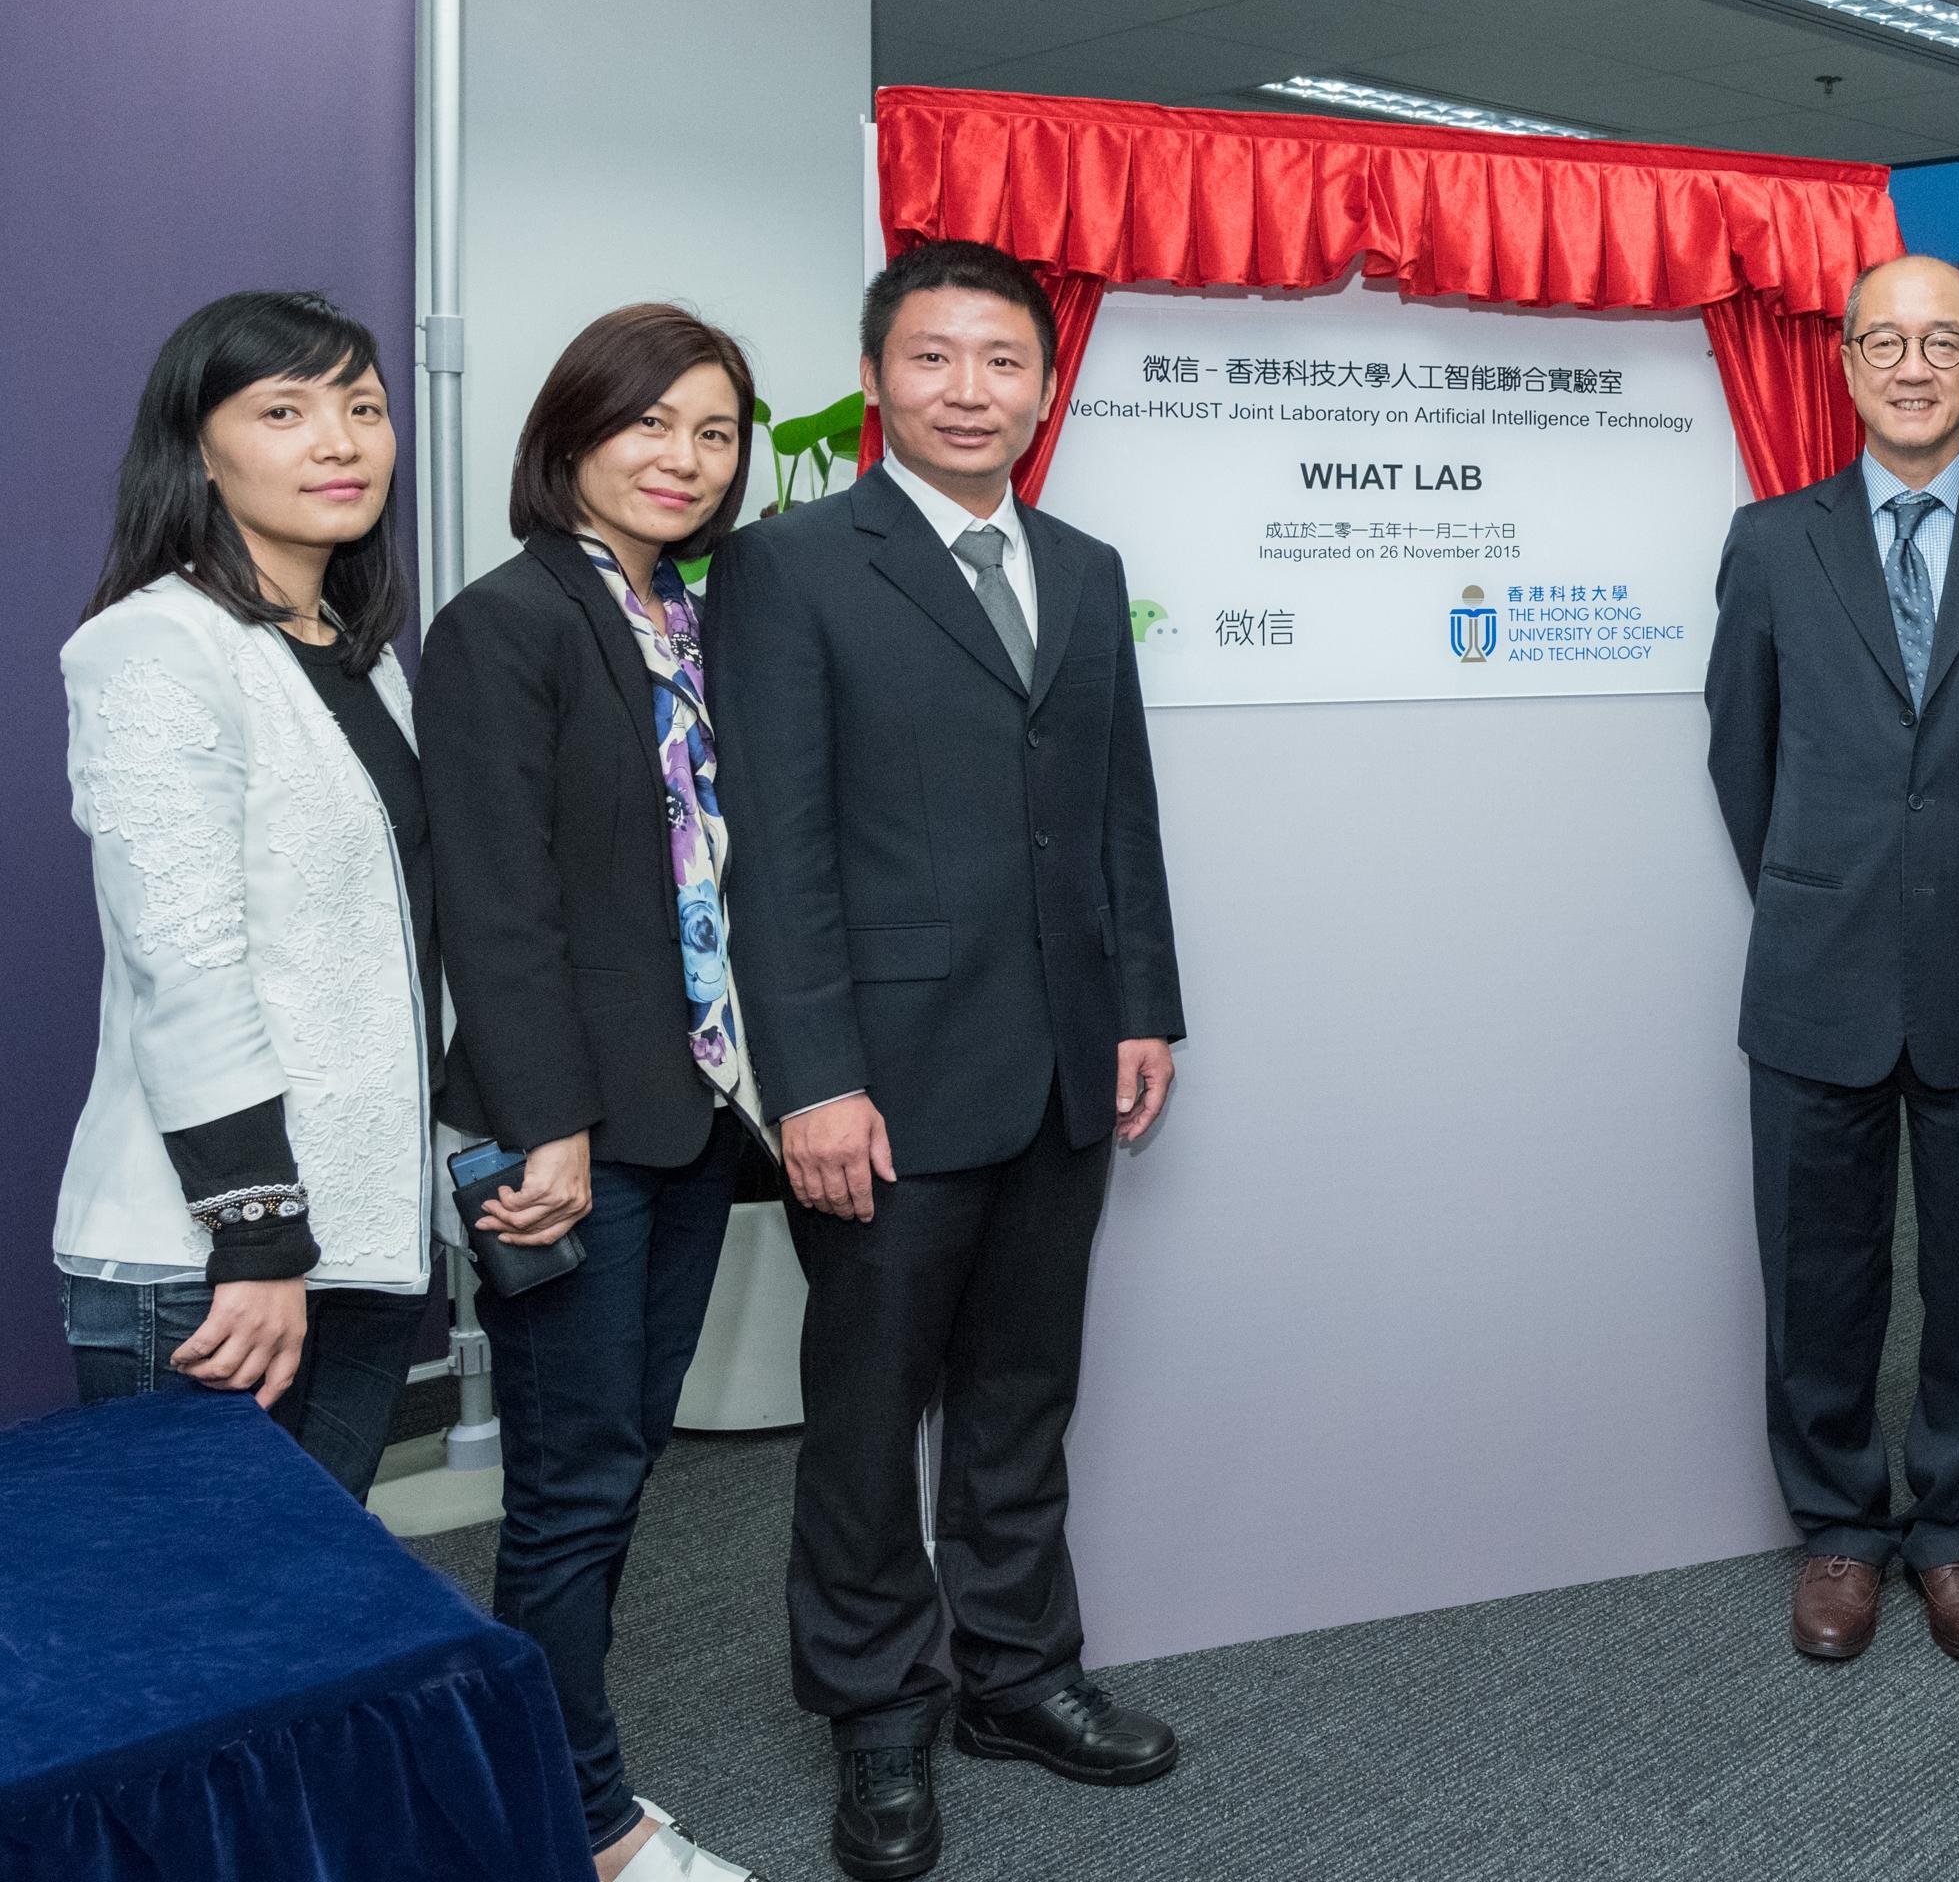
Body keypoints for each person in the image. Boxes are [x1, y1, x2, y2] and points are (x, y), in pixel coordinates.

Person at [709, 239, 1184, 1882]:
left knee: (1021, 1394)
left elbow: (1115, 808)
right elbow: (776, 851)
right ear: (877, 379)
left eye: (1000, 363)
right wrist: (814, 1078)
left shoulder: (1081, 556)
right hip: (887, 1086)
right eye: (934, 359)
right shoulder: (792, 566)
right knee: (865, 1411)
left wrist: (1145, 1004)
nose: (968, 391)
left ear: (1043, 388)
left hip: (1063, 1061)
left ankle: (1019, 1673)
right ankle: (878, 1712)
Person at [1703, 253, 1959, 1666]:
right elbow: (1738, 756)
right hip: (1817, 966)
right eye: (1886, 341)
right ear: (1848, 365)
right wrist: (1826, 892)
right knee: (1819, 1271)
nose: (1914, 365)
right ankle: (1837, 1526)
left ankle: (1950, 1529)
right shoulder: (1769, 539)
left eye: (1944, 342)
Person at [420, 303, 769, 1882]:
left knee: (616, 1464)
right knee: (570, 1490)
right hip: (571, 1133)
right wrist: (545, 1127)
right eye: (649, 423)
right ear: (570, 435)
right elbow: (494, 906)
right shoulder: (510, 621)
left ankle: (525, 1774)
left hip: (680, 1115)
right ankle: (581, 1826)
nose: (683, 458)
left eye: (713, 430)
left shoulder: (682, 616)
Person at [55, 290, 433, 1496]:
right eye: (286, 410)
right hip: (213, 1258)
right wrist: (257, 1234)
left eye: (363, 407)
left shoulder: (358, 655)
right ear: (202, 456)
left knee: (320, 1641)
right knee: (197, 1650)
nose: (340, 440)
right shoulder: (155, 645)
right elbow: (189, 960)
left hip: (359, 1244)